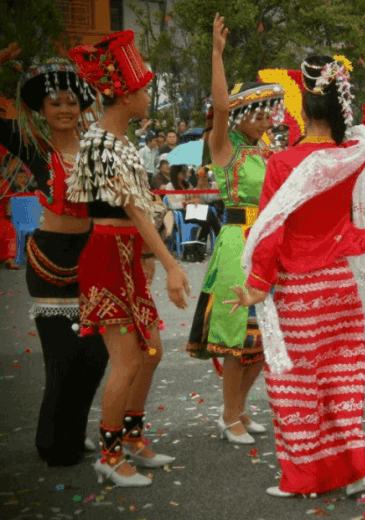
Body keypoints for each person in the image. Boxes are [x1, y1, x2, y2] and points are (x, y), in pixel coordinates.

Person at [229, 7, 365, 497]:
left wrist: (255, 287)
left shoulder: (284, 162)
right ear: (340, 108)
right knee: (341, 384)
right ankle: (354, 472)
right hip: (339, 289)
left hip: (299, 295)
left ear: (300, 110)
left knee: (298, 389)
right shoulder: (354, 152)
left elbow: (268, 234)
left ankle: (305, 476)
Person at [67, 30, 190, 486]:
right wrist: (171, 263)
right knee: (127, 361)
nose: (146, 98)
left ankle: (133, 437)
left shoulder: (117, 144)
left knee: (151, 352)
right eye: (141, 90)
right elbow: (135, 210)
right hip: (105, 255)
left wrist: (148, 258)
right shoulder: (101, 142)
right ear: (122, 94)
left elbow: (137, 209)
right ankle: (110, 453)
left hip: (125, 255)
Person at [0, 48, 109, 465]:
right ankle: (52, 442)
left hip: (93, 256)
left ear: (81, 105)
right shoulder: (31, 144)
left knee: (95, 353)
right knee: (62, 357)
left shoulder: (97, 146)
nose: (64, 108)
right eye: (54, 102)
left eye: (70, 101)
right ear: (40, 108)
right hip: (50, 260)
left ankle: (73, 430)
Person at [185, 14, 286, 445]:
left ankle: (239, 409)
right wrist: (217, 56)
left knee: (264, 338)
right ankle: (229, 417)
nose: (267, 121)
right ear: (241, 114)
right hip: (236, 243)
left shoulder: (265, 150)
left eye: (269, 115)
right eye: (260, 114)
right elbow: (220, 107)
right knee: (235, 337)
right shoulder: (224, 147)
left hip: (267, 244)